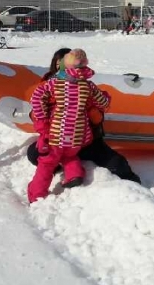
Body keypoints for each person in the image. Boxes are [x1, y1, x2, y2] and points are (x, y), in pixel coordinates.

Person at [26, 48, 141, 184]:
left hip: (86, 141)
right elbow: (35, 112)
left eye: (65, 62)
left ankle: (132, 182)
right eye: (58, 63)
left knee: (117, 164)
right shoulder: (46, 86)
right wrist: (43, 119)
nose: (62, 66)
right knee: (33, 154)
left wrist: (91, 109)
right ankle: (59, 166)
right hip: (56, 141)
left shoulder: (84, 86)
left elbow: (99, 114)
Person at [27, 49, 111, 202]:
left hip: (57, 132)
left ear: (65, 64)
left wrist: (42, 118)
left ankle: (36, 194)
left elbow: (37, 97)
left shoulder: (54, 83)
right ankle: (74, 174)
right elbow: (104, 103)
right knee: (69, 155)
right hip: (77, 134)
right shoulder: (89, 85)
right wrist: (104, 97)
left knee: (47, 163)